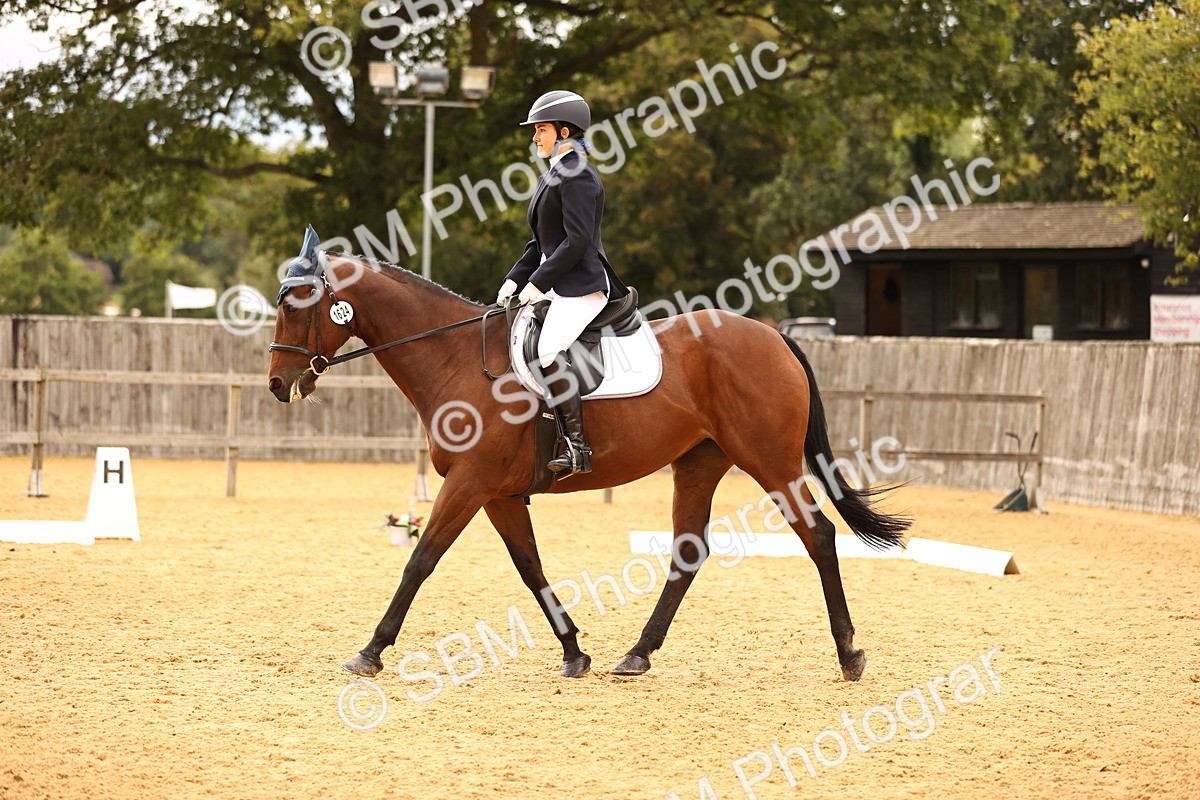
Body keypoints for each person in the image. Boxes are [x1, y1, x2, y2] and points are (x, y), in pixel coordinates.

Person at [496, 90, 630, 477]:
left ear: (564, 130)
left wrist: (538, 283)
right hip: (558, 283)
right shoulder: (555, 173)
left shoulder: (579, 175)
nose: (534, 138)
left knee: (549, 349)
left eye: (540, 130)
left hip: (582, 286)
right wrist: (514, 279)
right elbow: (541, 243)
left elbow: (578, 241)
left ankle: (577, 447)